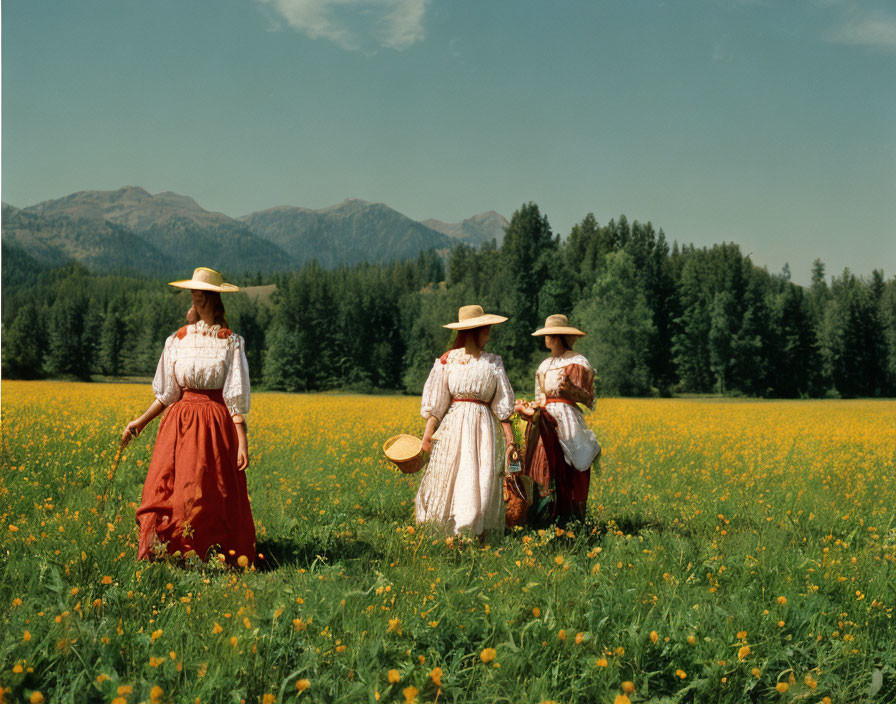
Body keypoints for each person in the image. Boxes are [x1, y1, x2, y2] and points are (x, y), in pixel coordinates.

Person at [122, 267, 255, 565]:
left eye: (201, 291)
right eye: (192, 290)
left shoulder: (230, 342)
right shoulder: (178, 340)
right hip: (179, 423)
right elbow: (167, 393)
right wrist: (140, 422)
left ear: (213, 296)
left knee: (210, 491)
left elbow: (235, 395)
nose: (195, 295)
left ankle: (211, 551)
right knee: (175, 488)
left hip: (215, 424)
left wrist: (242, 441)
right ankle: (176, 549)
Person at [416, 305, 516, 537]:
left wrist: (511, 442)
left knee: (480, 480)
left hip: (483, 431)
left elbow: (503, 407)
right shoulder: (447, 361)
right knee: (452, 478)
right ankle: (452, 534)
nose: (489, 334)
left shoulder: (493, 362)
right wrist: (427, 437)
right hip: (453, 429)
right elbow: (436, 406)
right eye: (486, 329)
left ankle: (474, 532)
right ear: (475, 330)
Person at [515, 314, 601, 525]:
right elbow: (540, 397)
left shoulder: (576, 361)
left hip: (567, 418)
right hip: (545, 417)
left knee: (571, 461)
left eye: (549, 335)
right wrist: (528, 408)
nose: (546, 339)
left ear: (556, 337)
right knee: (543, 460)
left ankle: (571, 516)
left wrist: (572, 391)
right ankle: (546, 515)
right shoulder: (544, 365)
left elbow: (589, 399)